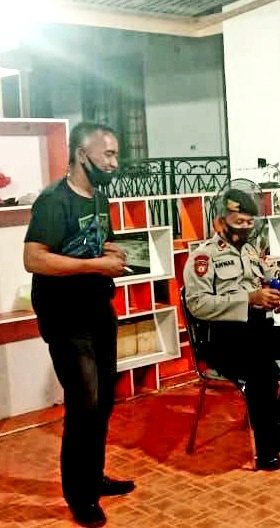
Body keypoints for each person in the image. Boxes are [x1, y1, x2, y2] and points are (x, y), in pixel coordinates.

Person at [23, 122, 134, 528]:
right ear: (82, 155)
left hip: (97, 309)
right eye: (109, 154)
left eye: (116, 154)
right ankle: (80, 496)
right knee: (84, 404)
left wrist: (112, 253)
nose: (115, 162)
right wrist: (96, 265)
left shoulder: (99, 198)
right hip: (65, 317)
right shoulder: (54, 201)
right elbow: (34, 258)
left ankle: (93, 476)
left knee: (103, 401)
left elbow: (93, 244)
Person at [184, 189, 280, 471]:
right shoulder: (203, 258)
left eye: (249, 222)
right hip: (222, 339)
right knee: (264, 371)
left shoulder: (252, 251)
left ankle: (278, 419)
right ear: (219, 222)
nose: (245, 227)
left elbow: (278, 275)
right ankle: (267, 448)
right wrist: (248, 299)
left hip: (258, 331)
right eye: (239, 222)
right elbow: (197, 305)